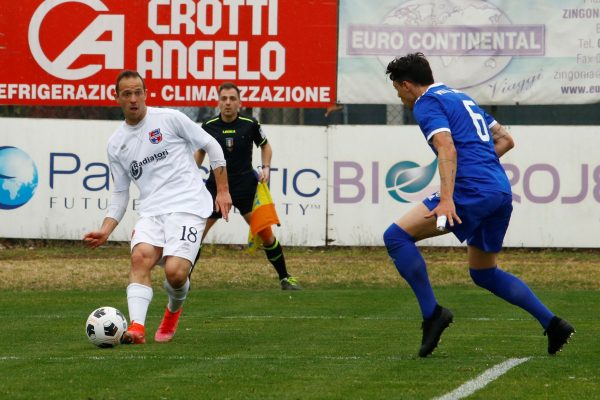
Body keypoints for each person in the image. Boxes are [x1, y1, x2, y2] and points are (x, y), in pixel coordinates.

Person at [383, 53, 575, 357]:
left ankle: (433, 314)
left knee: (395, 237)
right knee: (483, 272)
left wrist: (447, 199)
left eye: (396, 89)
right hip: (499, 190)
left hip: (470, 190)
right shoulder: (460, 97)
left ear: (406, 85)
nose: (398, 96)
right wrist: (481, 166)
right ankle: (553, 324)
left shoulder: (426, 103)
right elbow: (506, 139)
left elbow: (446, 145)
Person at [83, 70, 232, 344]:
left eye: (138, 92)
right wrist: (106, 229)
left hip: (188, 205)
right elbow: (120, 194)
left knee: (175, 274)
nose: (134, 99)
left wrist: (222, 190)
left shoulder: (169, 119)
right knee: (140, 258)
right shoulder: (116, 144)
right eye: (127, 93)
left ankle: (172, 311)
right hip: (152, 211)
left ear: (146, 94)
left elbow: (212, 144)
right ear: (116, 98)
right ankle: (137, 328)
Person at [194, 82, 301, 290]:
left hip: (246, 186)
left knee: (266, 235)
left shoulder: (250, 124)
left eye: (232, 99)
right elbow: (199, 152)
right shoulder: (208, 126)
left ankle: (285, 278)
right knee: (196, 235)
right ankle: (182, 281)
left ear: (239, 103)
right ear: (218, 102)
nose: (227, 103)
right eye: (224, 99)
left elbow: (265, 146)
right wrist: (189, 172)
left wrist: (266, 168)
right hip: (216, 188)